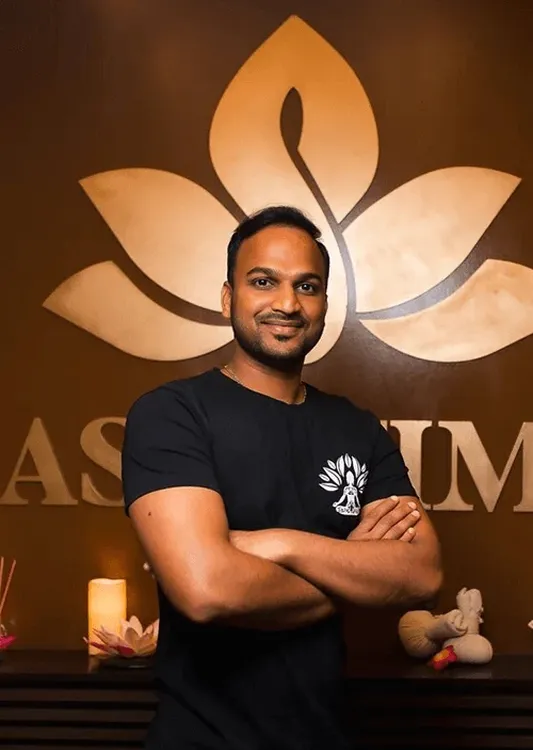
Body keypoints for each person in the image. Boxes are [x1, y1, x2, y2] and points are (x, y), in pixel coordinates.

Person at [122, 206, 442, 750]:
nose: (288, 304)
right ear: (228, 298)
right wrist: (353, 575)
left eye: (307, 286)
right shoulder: (172, 414)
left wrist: (276, 544)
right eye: (264, 281)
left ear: (324, 304)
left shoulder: (357, 427)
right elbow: (207, 591)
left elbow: (423, 571)